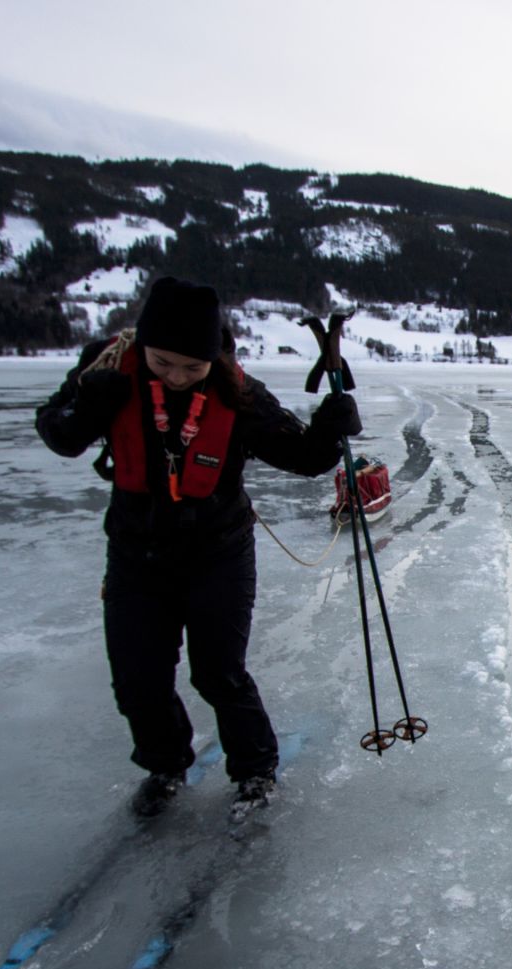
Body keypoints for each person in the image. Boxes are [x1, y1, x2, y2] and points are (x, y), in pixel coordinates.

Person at [35, 276, 360, 817]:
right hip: (137, 555)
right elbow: (60, 432)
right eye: (163, 364)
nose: (179, 377)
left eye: (193, 367)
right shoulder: (108, 367)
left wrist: (330, 430)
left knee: (218, 672)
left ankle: (255, 773)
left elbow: (302, 456)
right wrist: (91, 405)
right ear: (143, 346)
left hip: (219, 553)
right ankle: (166, 765)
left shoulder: (236, 387)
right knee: (138, 679)